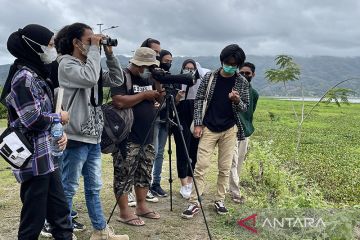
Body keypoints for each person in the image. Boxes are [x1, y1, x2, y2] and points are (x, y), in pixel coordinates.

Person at [56, 22, 128, 240]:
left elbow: (117, 80)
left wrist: (109, 54)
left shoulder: (91, 64)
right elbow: (88, 77)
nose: (94, 42)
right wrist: (96, 51)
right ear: (76, 43)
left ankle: (100, 230)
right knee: (68, 187)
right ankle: (63, 231)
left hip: (93, 136)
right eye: (90, 40)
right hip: (75, 136)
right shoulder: (67, 65)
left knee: (94, 187)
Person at [1, 24, 74, 239]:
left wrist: (61, 131)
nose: (53, 48)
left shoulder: (37, 73)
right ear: (34, 46)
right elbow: (32, 119)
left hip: (47, 158)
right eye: (50, 44)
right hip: (34, 160)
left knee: (60, 215)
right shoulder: (24, 77)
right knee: (33, 221)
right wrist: (59, 117)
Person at [181, 44, 249, 219]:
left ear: (239, 66)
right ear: (222, 61)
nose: (231, 66)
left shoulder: (241, 81)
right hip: (209, 127)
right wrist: (197, 124)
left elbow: (244, 108)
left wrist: (237, 100)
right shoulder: (210, 77)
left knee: (225, 168)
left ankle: (220, 200)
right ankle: (194, 202)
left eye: (235, 65)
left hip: (230, 129)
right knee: (201, 166)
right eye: (228, 63)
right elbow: (199, 100)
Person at [111, 47, 162, 226]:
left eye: (150, 66)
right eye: (144, 66)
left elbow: (160, 100)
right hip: (127, 136)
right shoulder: (122, 76)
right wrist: (144, 95)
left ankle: (141, 206)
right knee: (123, 174)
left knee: (144, 172)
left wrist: (158, 84)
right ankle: (125, 212)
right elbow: (118, 101)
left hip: (147, 135)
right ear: (136, 63)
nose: (146, 69)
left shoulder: (150, 77)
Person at [229, 62, 259, 203]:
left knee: (239, 161)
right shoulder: (232, 90)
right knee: (232, 161)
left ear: (253, 75)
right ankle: (235, 193)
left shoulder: (254, 94)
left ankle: (233, 187)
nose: (245, 75)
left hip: (245, 131)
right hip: (232, 129)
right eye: (242, 73)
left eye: (248, 73)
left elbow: (249, 113)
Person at [172, 59, 202, 199]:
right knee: (182, 151)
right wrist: (177, 97)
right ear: (182, 69)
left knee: (194, 150)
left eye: (191, 69)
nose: (189, 71)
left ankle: (190, 181)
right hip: (181, 120)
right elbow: (172, 105)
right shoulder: (177, 82)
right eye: (186, 68)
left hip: (196, 121)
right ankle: (183, 183)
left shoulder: (200, 83)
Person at [150, 49, 173, 197]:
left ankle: (156, 183)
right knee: (153, 152)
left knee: (160, 154)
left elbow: (170, 98)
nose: (168, 64)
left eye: (171, 61)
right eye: (166, 61)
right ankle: (146, 184)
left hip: (165, 119)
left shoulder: (168, 77)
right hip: (154, 118)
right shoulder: (150, 77)